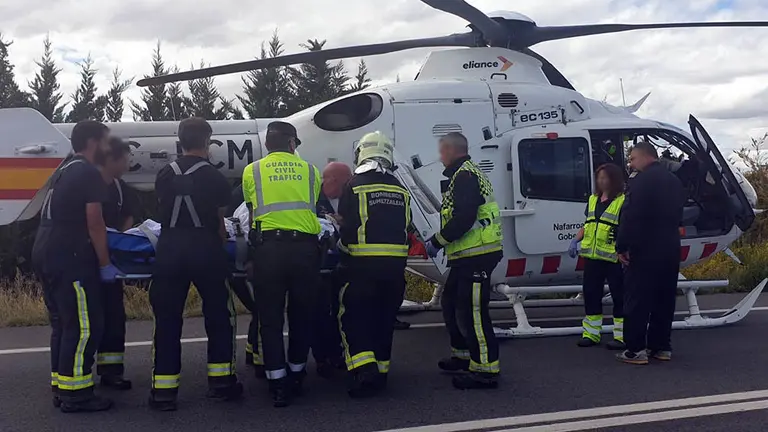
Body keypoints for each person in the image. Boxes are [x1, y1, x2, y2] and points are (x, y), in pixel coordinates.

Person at [149, 117, 242, 411]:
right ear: (207, 141)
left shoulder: (164, 174)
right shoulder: (214, 178)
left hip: (169, 250)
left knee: (166, 320)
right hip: (205, 249)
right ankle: (222, 383)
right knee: (219, 316)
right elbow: (219, 222)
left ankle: (163, 392)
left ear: (180, 140)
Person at [31, 120, 122, 413]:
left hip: (46, 251)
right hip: (70, 257)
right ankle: (77, 395)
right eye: (106, 142)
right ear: (94, 143)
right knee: (84, 326)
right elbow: (94, 221)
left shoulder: (64, 170)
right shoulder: (87, 173)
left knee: (63, 324)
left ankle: (62, 384)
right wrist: (105, 262)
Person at [243, 121, 321, 407]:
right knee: (302, 315)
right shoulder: (311, 171)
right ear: (292, 144)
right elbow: (312, 206)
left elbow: (252, 214)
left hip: (269, 251)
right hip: (305, 251)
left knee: (271, 319)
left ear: (267, 145)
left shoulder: (252, 172)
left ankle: (277, 383)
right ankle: (298, 374)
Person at [425, 132, 503, 390]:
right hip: (466, 256)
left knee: (473, 312)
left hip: (478, 255)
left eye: (441, 151)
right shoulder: (461, 175)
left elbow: (464, 217)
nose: (440, 157)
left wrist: (437, 241)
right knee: (450, 303)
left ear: (451, 150)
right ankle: (462, 355)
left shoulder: (466, 175)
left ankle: (485, 369)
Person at [336, 131, 411, 398]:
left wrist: (340, 248)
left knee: (353, 318)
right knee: (383, 320)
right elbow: (407, 226)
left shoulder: (354, 184)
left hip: (361, 267)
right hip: (395, 270)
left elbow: (346, 224)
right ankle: (381, 371)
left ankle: (363, 370)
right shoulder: (401, 189)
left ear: (362, 153)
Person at [616, 141, 686, 365]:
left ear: (646, 156)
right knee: (664, 299)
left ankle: (635, 350)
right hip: (670, 248)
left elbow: (630, 216)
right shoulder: (674, 181)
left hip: (644, 249)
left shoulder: (640, 182)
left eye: (633, 159)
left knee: (637, 300)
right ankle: (661, 347)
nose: (631, 163)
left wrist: (621, 246)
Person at [95, 136, 139, 390]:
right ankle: (71, 379)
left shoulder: (121, 188)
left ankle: (111, 372)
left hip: (111, 260)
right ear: (112, 159)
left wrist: (119, 243)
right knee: (85, 321)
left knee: (114, 317)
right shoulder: (88, 185)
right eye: (125, 158)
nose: (128, 163)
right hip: (86, 259)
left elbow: (129, 215)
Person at [569, 163, 626, 350]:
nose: (601, 181)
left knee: (620, 297)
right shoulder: (593, 199)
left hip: (614, 258)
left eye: (605, 177)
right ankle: (591, 334)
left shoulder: (622, 201)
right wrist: (575, 240)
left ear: (614, 179)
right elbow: (588, 224)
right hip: (592, 257)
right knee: (591, 295)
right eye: (599, 177)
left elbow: (627, 227)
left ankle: (621, 336)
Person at [313, 161, 352, 378]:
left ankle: (337, 353)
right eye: (346, 182)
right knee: (319, 312)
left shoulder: (346, 197)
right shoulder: (314, 199)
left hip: (339, 264)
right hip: (319, 265)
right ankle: (322, 358)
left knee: (338, 310)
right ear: (334, 180)